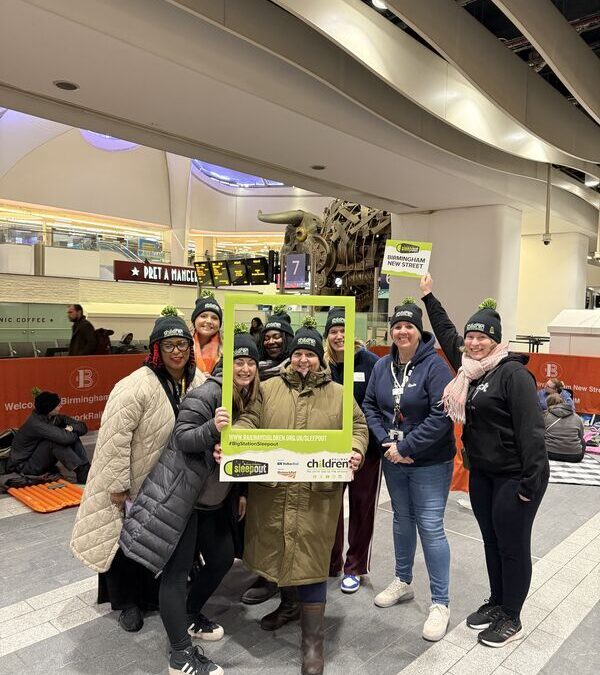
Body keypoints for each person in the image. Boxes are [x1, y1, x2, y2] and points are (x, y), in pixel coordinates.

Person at [230, 324, 368, 675]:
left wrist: (354, 451)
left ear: (319, 358)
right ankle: (288, 606)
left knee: (311, 560)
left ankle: (312, 643)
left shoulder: (338, 393)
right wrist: (235, 438)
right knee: (282, 551)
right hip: (276, 492)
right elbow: (249, 418)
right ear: (290, 357)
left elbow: (358, 427)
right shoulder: (269, 388)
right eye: (297, 353)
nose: (303, 359)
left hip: (316, 496)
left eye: (309, 353)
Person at [420, 272, 549, 648]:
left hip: (515, 479)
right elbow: (445, 333)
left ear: (496, 340)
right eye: (471, 337)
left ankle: (512, 616)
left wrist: (531, 484)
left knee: (512, 546)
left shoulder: (513, 375)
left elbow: (533, 434)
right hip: (484, 476)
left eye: (482, 337)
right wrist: (429, 296)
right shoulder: (470, 372)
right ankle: (497, 602)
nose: (474, 343)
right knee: (491, 543)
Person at [120, 334, 260, 675]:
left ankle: (190, 614)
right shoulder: (207, 394)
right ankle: (180, 655)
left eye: (250, 363)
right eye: (237, 362)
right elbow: (183, 437)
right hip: (183, 499)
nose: (244, 368)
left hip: (213, 500)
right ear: (225, 367)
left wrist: (239, 488)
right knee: (176, 573)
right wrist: (213, 428)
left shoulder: (248, 398)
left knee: (222, 557)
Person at [70, 316, 205, 633]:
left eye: (182, 344)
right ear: (156, 349)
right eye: (169, 345)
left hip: (169, 483)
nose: (177, 351)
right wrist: (118, 485)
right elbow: (114, 439)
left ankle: (151, 596)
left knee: (152, 542)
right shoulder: (134, 385)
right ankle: (127, 603)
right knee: (125, 545)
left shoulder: (198, 381)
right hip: (134, 479)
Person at [363, 299, 455, 642]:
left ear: (419, 331)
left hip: (430, 461)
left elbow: (442, 416)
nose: (402, 331)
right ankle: (403, 581)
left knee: (430, 526)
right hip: (394, 457)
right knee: (401, 519)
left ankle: (441, 603)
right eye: (398, 327)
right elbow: (371, 404)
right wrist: (387, 441)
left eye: (409, 326)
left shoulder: (436, 367)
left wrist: (406, 446)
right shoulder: (382, 366)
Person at [240, 313, 296, 606]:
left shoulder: (299, 365)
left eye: (278, 336)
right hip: (261, 453)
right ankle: (267, 574)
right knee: (264, 518)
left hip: (294, 455)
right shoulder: (254, 369)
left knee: (290, 519)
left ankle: (290, 579)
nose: (273, 341)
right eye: (269, 336)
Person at [324, 308, 380, 595]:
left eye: (343, 330)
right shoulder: (322, 365)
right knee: (329, 506)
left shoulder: (370, 362)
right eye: (333, 331)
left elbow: (377, 403)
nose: (339, 335)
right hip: (330, 451)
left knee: (361, 507)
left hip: (364, 452)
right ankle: (331, 561)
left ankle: (355, 566)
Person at [7, 391, 90, 483]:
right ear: (49, 409)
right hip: (24, 466)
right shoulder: (36, 424)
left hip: (36, 458)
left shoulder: (53, 417)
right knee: (54, 442)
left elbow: (83, 426)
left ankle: (85, 467)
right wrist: (72, 431)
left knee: (71, 437)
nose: (61, 406)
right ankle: (81, 470)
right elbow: (66, 438)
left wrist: (71, 428)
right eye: (58, 405)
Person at [544, 393, 585, 463]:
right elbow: (581, 435)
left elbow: (540, 433)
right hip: (574, 456)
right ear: (564, 402)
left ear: (547, 404)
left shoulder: (545, 416)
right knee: (583, 440)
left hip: (549, 453)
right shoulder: (577, 417)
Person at [256, 314, 295, 382]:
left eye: (276, 337)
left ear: (288, 340)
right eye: (266, 338)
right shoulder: (253, 369)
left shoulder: (297, 369)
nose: (270, 342)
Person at [191, 297, 222, 375]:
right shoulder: (183, 346)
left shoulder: (228, 350)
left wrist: (214, 381)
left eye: (214, 318)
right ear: (195, 320)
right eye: (203, 316)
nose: (208, 321)